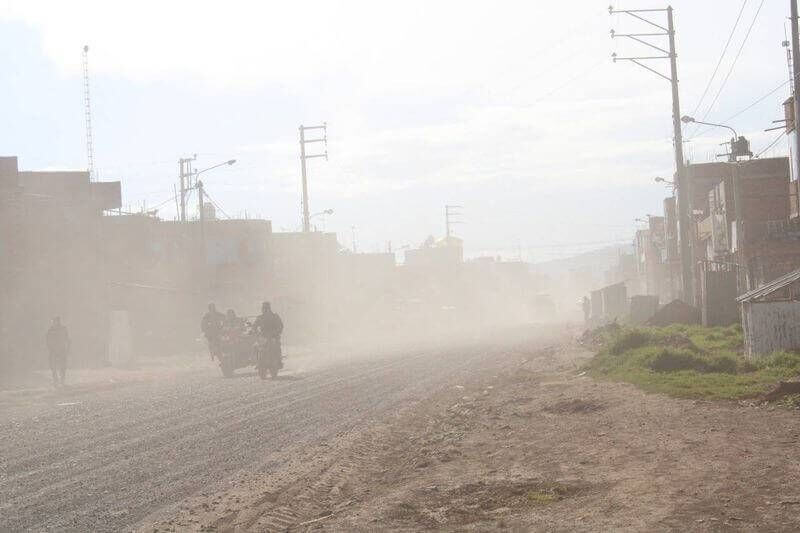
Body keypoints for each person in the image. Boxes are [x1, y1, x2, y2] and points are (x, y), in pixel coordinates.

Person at [46, 316, 69, 387]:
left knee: (62, 366)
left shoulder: (62, 329)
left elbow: (67, 339)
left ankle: (62, 380)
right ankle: (56, 381)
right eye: (53, 321)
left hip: (61, 350)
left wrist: (67, 348)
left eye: (55, 321)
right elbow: (47, 340)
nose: (54, 323)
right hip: (54, 350)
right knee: (53, 366)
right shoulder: (50, 330)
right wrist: (50, 347)